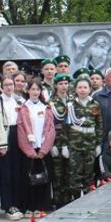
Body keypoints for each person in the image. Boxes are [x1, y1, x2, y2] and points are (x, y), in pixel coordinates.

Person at [16, 79, 56, 214]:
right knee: (29, 179)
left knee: (44, 179)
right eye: (32, 89)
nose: (35, 92)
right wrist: (29, 151)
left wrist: (44, 150)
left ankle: (43, 206)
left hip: (43, 149)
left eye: (37, 89)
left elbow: (51, 130)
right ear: (28, 91)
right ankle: (29, 207)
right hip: (29, 150)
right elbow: (21, 130)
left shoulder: (46, 108)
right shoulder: (23, 108)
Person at [0, 75, 22, 221]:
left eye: (11, 84)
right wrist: (2, 144)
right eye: (7, 85)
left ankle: (17, 202)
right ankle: (7, 204)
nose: (10, 87)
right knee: (6, 173)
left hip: (17, 135)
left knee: (16, 171)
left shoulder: (18, 100)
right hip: (5, 135)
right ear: (2, 87)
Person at [67, 78, 102, 197]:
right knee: (75, 174)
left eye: (85, 87)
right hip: (75, 144)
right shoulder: (71, 105)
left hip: (90, 144)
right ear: (76, 89)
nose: (82, 90)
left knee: (89, 174)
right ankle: (75, 199)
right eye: (80, 87)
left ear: (90, 89)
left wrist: (98, 144)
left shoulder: (95, 104)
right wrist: (65, 145)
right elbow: (65, 126)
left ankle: (89, 198)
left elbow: (99, 124)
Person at [49, 74, 71, 208]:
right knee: (57, 174)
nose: (64, 86)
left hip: (71, 142)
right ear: (56, 86)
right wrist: (51, 144)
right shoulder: (51, 103)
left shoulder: (73, 101)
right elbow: (48, 126)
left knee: (69, 173)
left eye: (66, 84)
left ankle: (69, 200)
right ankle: (57, 201)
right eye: (61, 84)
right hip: (56, 143)